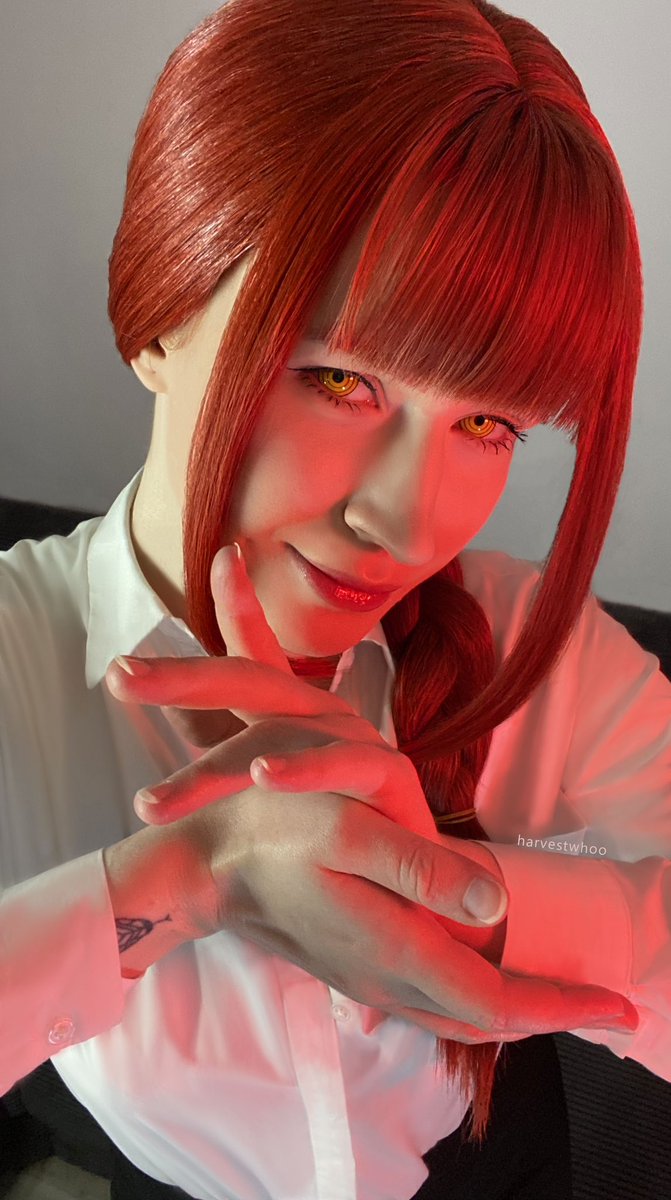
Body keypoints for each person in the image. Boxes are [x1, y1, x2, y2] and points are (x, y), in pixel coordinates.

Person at [1, 0, 668, 1197]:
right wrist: (191, 878)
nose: (406, 525)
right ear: (158, 320)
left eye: (485, 423)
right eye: (340, 379)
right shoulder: (17, 656)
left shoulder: (543, 653)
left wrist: (468, 905)